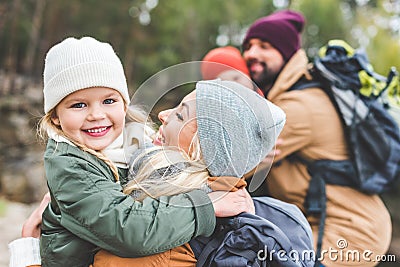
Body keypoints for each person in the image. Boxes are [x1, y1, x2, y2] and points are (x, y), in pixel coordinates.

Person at [8, 36, 254, 267]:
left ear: (124, 103)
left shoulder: (135, 137)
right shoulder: (71, 164)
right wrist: (206, 206)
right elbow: (126, 227)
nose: (96, 115)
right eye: (79, 104)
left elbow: (160, 174)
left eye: (109, 101)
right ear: (56, 117)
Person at [242, 9, 392, 267]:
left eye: (264, 46)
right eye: (248, 46)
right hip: (324, 226)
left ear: (287, 53)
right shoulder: (288, 98)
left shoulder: (298, 107)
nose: (250, 54)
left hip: (344, 233)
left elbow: (240, 163)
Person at [90, 79, 287, 266]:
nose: (163, 114)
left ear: (200, 148)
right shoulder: (143, 170)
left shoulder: (162, 250)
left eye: (179, 115)